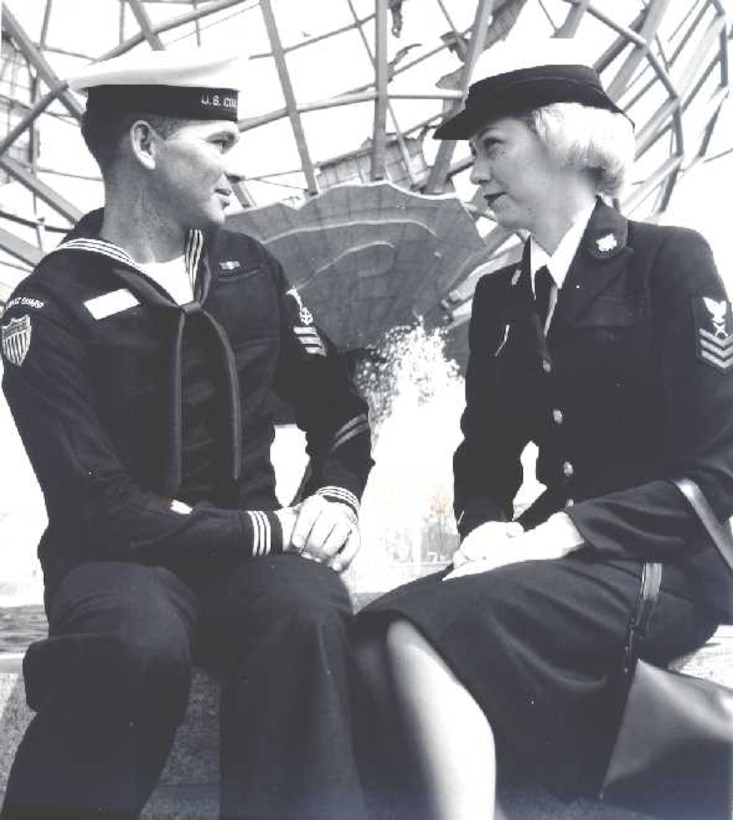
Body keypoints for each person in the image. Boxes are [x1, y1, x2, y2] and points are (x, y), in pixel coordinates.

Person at [355, 40, 733, 820]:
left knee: (422, 630)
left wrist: (563, 531)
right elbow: (484, 449)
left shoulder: (667, 261)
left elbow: (719, 469)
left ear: (563, 141)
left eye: (492, 145)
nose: (474, 172)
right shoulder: (502, 295)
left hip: (659, 564)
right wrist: (485, 527)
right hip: (555, 562)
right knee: (363, 640)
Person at [0, 48, 373, 820]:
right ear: (144, 145)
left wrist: (335, 495)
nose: (236, 171)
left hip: (248, 565)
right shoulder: (47, 307)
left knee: (307, 615)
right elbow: (98, 503)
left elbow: (340, 408)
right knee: (132, 645)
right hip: (118, 560)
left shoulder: (249, 270)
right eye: (221, 143)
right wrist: (271, 528)